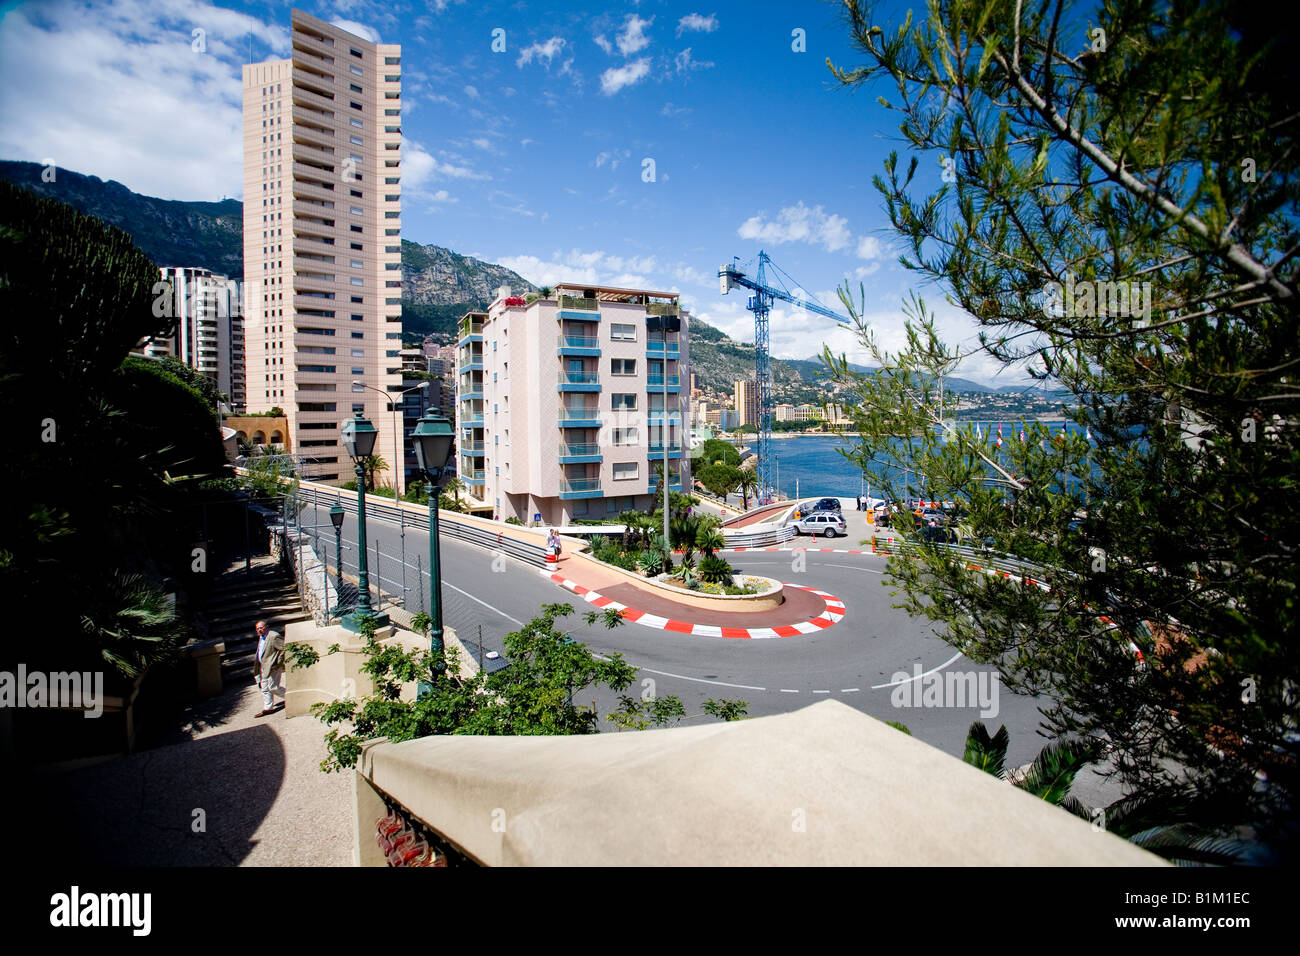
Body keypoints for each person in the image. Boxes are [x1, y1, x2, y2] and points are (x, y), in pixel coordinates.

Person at [252, 619, 284, 718]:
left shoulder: (273, 636)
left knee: (273, 687)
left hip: (273, 667)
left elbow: (284, 648)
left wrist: (278, 662)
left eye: (261, 628)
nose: (259, 630)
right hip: (264, 666)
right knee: (264, 688)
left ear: (266, 627)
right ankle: (268, 708)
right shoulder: (262, 637)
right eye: (257, 629)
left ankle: (291, 697)